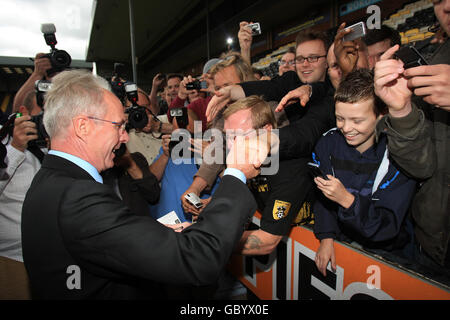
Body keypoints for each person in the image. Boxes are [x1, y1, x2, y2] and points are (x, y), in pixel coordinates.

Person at [21, 69, 267, 299]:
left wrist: (156, 239)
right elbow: (196, 260)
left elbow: (106, 247)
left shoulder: (48, 180)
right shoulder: (78, 196)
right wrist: (235, 174)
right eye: (118, 126)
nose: (125, 137)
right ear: (83, 126)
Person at [312, 69, 417, 276]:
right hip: (342, 241)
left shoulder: (398, 154)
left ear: (381, 115)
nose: (346, 128)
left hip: (390, 254)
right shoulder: (327, 143)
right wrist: (326, 236)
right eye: (340, 118)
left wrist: (347, 200)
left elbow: (388, 226)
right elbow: (321, 198)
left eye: (357, 120)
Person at [373, 0, 450, 274]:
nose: (447, 7)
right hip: (434, 246)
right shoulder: (437, 61)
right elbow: (422, 167)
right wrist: (401, 111)